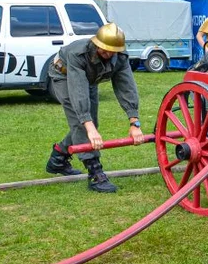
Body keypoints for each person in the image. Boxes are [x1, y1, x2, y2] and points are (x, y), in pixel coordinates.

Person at [45, 23, 144, 193]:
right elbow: (78, 91)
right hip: (63, 75)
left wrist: (134, 123)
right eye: (104, 50)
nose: (108, 54)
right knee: (81, 122)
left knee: (92, 123)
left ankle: (58, 158)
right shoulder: (79, 54)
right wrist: (87, 124)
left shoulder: (120, 57)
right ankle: (95, 173)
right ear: (96, 43)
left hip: (90, 79)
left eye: (112, 51)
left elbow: (126, 87)